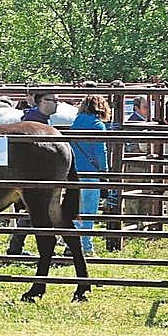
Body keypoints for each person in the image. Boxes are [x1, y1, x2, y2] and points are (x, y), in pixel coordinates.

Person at [8, 92, 59, 255]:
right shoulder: (34, 122)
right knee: (34, 209)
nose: (57, 103)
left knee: (32, 210)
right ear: (42, 102)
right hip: (32, 170)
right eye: (54, 100)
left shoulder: (36, 118)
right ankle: (17, 246)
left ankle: (16, 246)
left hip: (30, 170)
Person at [70, 95, 110, 255]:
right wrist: (105, 170)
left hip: (74, 172)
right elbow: (101, 151)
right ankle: (86, 246)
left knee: (76, 209)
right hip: (90, 172)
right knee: (89, 211)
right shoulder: (98, 126)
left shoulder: (75, 124)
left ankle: (72, 243)